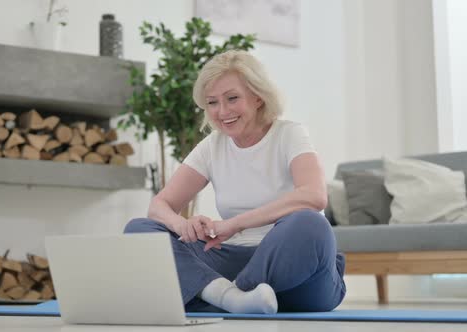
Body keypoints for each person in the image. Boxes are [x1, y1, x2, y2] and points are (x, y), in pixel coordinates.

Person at [124, 50, 346, 314]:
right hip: (231, 260)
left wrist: (233, 224)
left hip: (298, 272)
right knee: (139, 228)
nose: (222, 111)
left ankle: (225, 295)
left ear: (257, 97)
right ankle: (232, 298)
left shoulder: (289, 134)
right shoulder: (211, 147)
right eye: (213, 103)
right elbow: (160, 205)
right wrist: (184, 225)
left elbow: (313, 196)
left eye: (232, 98)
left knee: (310, 223)